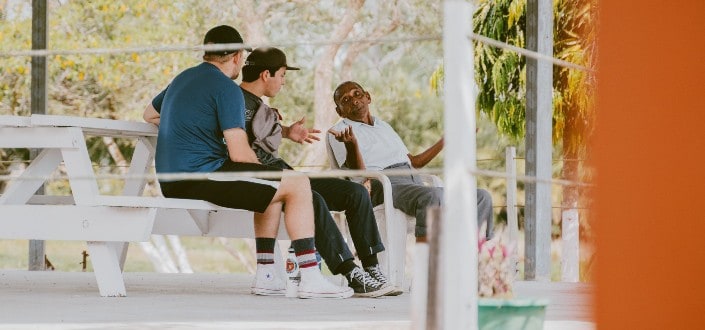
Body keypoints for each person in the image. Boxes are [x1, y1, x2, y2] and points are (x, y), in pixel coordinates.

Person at [142, 25, 352, 299]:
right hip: (201, 176)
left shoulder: (181, 79)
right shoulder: (226, 88)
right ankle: (311, 277)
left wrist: (192, 129)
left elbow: (149, 114)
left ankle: (267, 275)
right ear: (238, 56)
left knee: (273, 190)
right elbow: (240, 156)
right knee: (296, 183)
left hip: (173, 179)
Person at [238, 47, 397, 297]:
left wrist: (287, 132)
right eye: (282, 75)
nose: (283, 82)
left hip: (286, 173)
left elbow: (257, 135)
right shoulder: (234, 100)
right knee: (313, 198)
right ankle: (351, 272)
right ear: (266, 75)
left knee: (354, 192)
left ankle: (371, 268)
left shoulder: (256, 104)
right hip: (270, 180)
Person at [328, 81, 494, 241]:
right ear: (339, 111)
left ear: (368, 97)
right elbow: (359, 175)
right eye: (346, 100)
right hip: (382, 185)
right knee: (432, 196)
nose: (354, 100)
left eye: (357, 94)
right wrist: (352, 146)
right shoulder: (339, 131)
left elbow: (415, 163)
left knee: (481, 197)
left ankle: (465, 250)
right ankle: (429, 263)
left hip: (413, 182)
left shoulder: (383, 125)